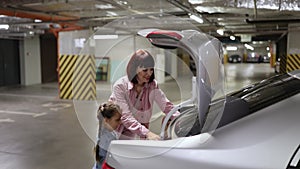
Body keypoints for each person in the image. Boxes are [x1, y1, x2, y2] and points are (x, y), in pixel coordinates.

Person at [109, 49, 179, 140]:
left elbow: (166, 106)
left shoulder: (152, 85)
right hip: (116, 133)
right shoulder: (120, 87)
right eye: (145, 70)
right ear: (134, 69)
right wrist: (148, 133)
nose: (149, 73)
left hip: (138, 134)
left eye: (151, 70)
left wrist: (180, 118)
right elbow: (126, 117)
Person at [93, 102, 122, 169]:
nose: (120, 122)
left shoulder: (100, 131)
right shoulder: (109, 139)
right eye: (117, 120)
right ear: (106, 121)